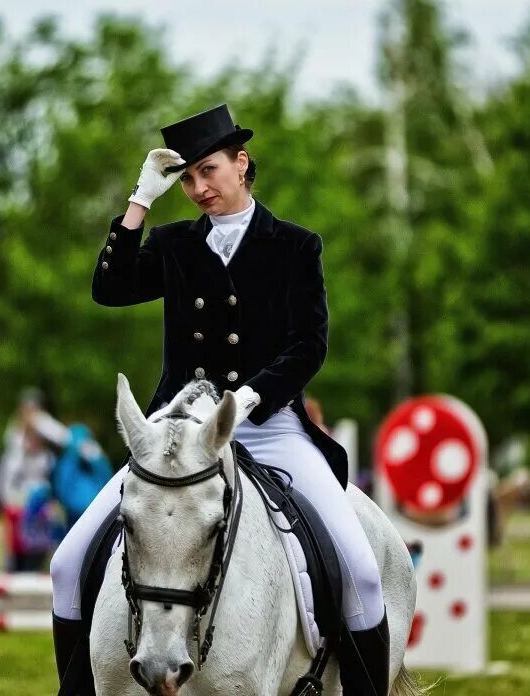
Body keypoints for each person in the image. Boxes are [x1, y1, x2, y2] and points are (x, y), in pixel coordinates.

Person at [50, 104, 389, 696]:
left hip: (270, 426)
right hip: (176, 432)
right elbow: (110, 289)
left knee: (361, 570)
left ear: (241, 162)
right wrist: (140, 200)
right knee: (67, 563)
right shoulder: (175, 243)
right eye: (186, 179)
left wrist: (253, 396)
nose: (199, 188)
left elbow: (309, 345)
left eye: (208, 172)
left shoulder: (295, 247)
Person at [0, 391, 69, 571]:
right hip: (17, 510)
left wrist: (38, 420)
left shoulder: (47, 457)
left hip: (39, 514)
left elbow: (64, 437)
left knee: (37, 558)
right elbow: (4, 483)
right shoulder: (14, 448)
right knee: (14, 560)